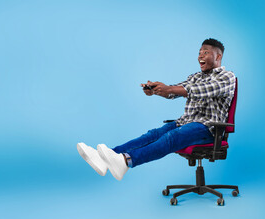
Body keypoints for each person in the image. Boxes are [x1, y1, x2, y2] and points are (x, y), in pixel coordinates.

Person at [77, 38, 236, 181]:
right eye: (199, 52)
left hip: (208, 128)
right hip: (186, 123)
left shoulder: (227, 77)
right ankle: (106, 157)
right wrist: (157, 90)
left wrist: (169, 89)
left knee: (172, 136)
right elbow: (176, 91)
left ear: (218, 56)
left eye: (206, 53)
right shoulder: (195, 76)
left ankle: (125, 161)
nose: (200, 56)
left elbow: (200, 90)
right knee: (152, 134)